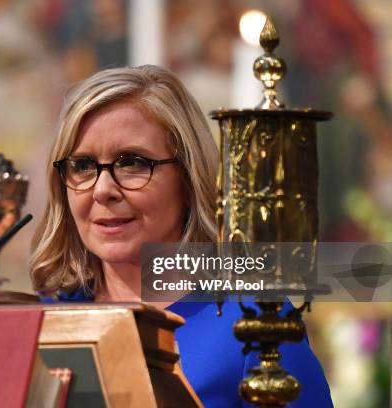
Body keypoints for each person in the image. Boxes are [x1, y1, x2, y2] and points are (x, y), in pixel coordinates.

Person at [29, 65, 333, 407]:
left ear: (188, 179)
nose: (102, 190)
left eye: (132, 162)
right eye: (82, 166)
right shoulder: (42, 323)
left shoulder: (256, 322)